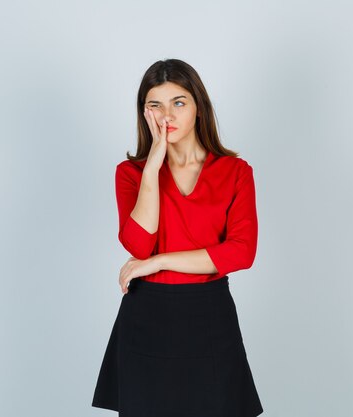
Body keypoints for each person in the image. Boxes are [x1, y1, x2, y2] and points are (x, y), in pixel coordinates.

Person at [91, 59, 264, 417]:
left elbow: (241, 253)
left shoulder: (235, 172)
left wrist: (160, 261)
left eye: (178, 103)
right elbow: (139, 244)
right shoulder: (131, 174)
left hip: (209, 315)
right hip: (147, 316)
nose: (166, 115)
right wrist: (153, 165)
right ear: (144, 113)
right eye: (155, 105)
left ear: (199, 108)